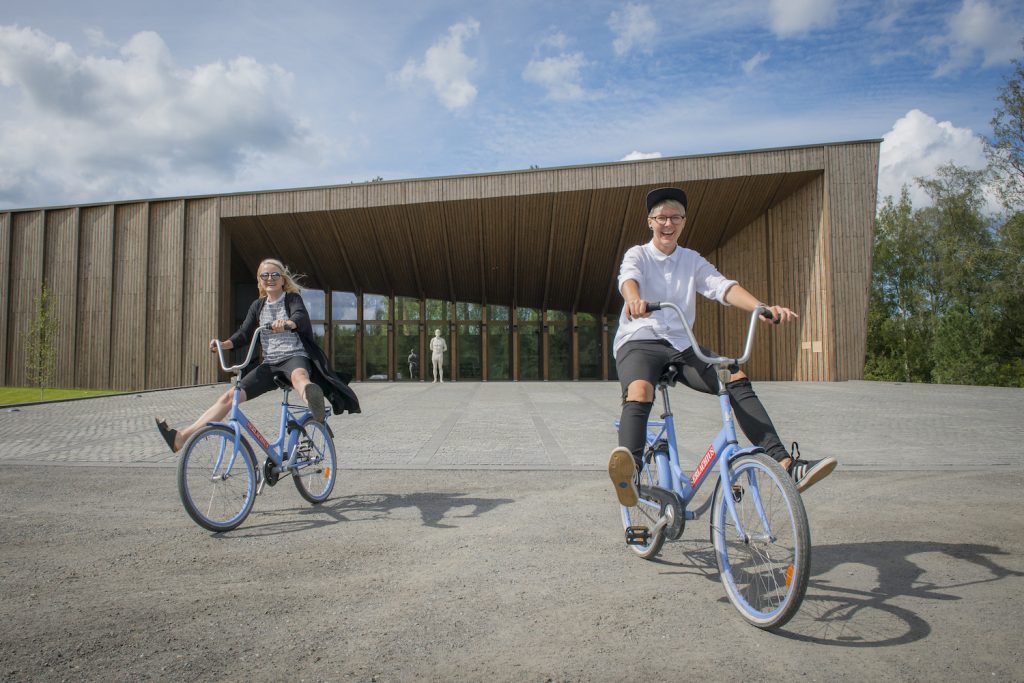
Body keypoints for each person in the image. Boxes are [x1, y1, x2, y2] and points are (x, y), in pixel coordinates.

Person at [608, 187, 836, 507]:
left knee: (735, 376)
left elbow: (722, 287)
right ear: (650, 222)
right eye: (661, 218)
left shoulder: (691, 260)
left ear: (684, 222)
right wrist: (633, 299)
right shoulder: (639, 254)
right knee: (641, 390)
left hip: (682, 346)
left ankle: (785, 464)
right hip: (640, 339)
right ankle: (630, 475)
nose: (668, 223)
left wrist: (761, 307)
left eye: (675, 217)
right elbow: (627, 279)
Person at [155, 258, 360, 453]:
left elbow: (299, 315)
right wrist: (224, 344)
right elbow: (244, 333)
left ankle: (313, 403)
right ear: (260, 281)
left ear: (282, 280)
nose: (270, 278)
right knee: (230, 397)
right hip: (270, 364)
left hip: (293, 356)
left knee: (299, 377)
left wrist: (288, 323)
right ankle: (181, 437)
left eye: (274, 275)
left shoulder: (292, 298)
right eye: (265, 275)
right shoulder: (258, 305)